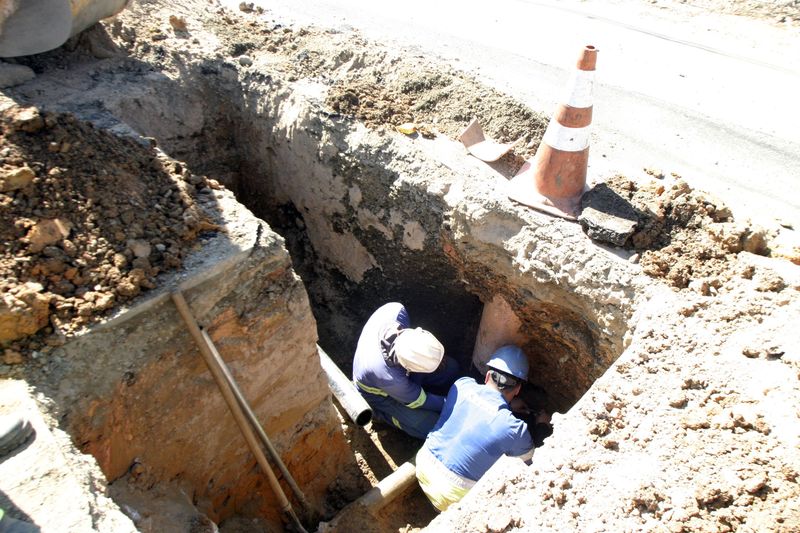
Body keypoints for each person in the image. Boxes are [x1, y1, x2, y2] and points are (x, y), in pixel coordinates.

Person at [415, 345, 550, 512]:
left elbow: (479, 409)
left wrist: (506, 406)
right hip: (455, 496)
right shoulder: (514, 429)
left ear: (487, 376)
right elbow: (531, 461)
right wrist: (542, 426)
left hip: (423, 466)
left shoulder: (462, 385)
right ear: (518, 390)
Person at [352, 302, 459, 439]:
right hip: (380, 395)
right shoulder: (389, 377)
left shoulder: (397, 311)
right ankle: (383, 415)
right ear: (408, 368)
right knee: (430, 425)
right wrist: (452, 404)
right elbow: (419, 401)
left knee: (451, 368)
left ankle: (421, 387)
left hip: (397, 377)